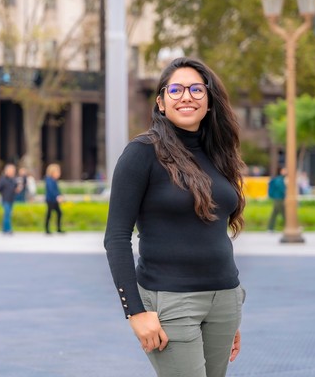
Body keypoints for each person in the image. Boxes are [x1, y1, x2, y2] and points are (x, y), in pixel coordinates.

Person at [103, 57, 246, 377]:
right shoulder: (142, 154)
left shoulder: (218, 155)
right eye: (176, 89)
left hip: (225, 299)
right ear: (161, 102)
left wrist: (231, 313)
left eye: (197, 89)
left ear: (209, 102)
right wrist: (135, 312)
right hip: (171, 301)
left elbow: (216, 231)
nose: (187, 96)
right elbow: (115, 238)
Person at [0, 164, 18, 235]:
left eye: (13, 171)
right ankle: (8, 229)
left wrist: (17, 190)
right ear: (6, 171)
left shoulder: (13, 180)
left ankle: (4, 229)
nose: (12, 172)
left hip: (11, 199)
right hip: (5, 199)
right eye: (11, 171)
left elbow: (15, 188)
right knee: (7, 214)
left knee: (9, 214)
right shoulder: (3, 179)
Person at [44, 163, 64, 235]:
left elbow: (57, 190)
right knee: (49, 214)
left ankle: (58, 228)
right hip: (50, 200)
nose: (59, 173)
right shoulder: (49, 180)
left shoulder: (54, 180)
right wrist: (57, 196)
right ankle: (47, 229)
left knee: (59, 213)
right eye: (57, 172)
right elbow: (51, 190)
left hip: (54, 200)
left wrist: (60, 195)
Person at [267, 167, 287, 232]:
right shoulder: (279, 179)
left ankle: (270, 228)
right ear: (281, 171)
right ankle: (270, 228)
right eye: (284, 170)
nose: (286, 172)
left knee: (276, 213)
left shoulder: (280, 179)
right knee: (283, 213)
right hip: (279, 198)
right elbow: (282, 189)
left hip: (278, 198)